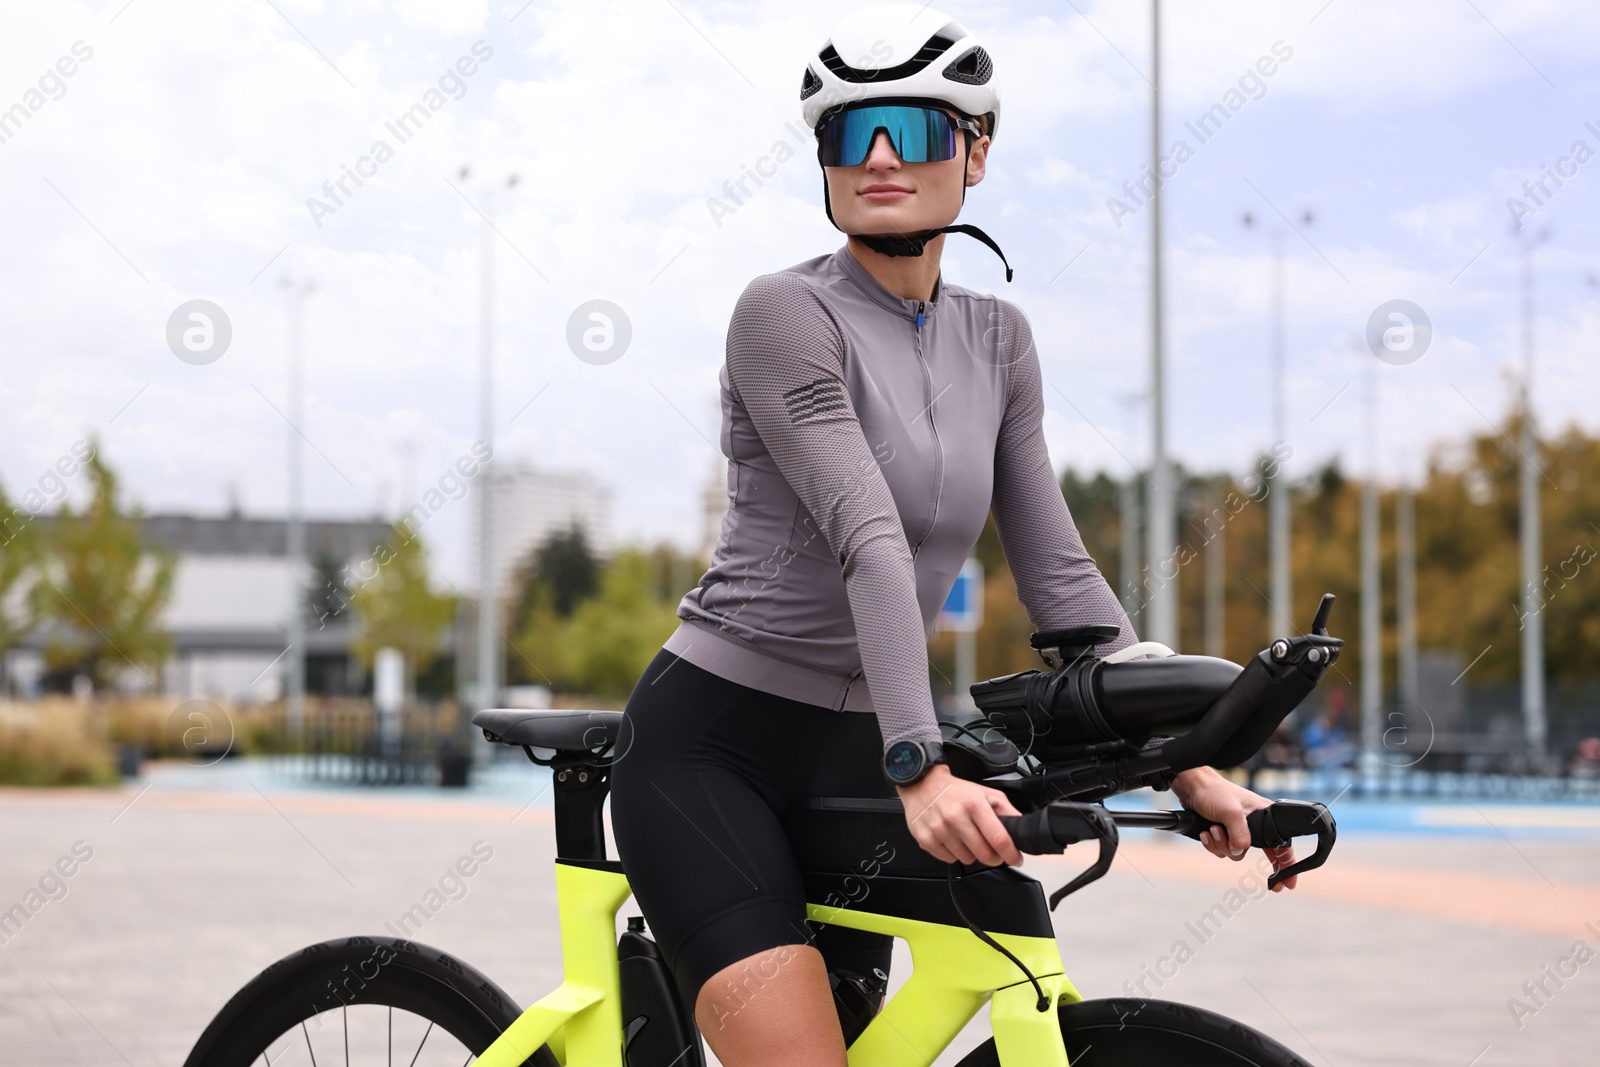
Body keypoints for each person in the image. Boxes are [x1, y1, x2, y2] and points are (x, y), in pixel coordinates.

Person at [609, 8, 1298, 1066]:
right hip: (713, 749)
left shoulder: (999, 338)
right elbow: (867, 537)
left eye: (915, 130)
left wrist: (1191, 763)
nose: (880, 156)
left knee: (1015, 951)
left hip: (861, 748)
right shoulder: (782, 312)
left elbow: (1061, 576)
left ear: (975, 151)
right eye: (849, 135)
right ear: (824, 164)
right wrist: (917, 761)